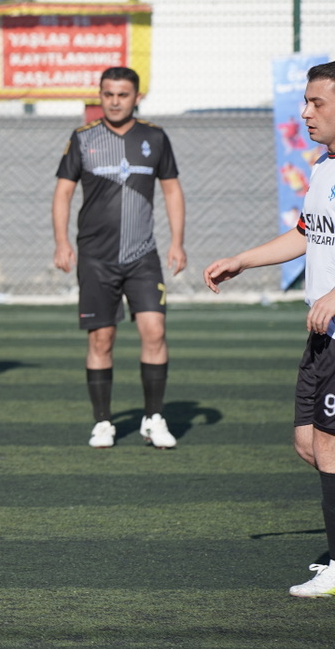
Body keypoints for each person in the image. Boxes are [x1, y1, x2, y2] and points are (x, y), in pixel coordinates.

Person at [204, 61, 335, 597]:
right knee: (308, 444)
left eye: (317, 103)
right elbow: (307, 233)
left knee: (329, 447)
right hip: (322, 337)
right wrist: (243, 259)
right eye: (304, 101)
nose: (305, 112)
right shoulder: (323, 165)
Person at [52, 66, 186, 450]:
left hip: (143, 255)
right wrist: (61, 242)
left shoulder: (155, 137)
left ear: (136, 97)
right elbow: (62, 193)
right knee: (102, 339)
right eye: (107, 94)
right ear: (100, 95)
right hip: (96, 258)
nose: (114, 102)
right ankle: (103, 422)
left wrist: (178, 242)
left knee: (154, 331)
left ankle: (154, 418)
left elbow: (172, 190)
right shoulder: (83, 138)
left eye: (122, 95)